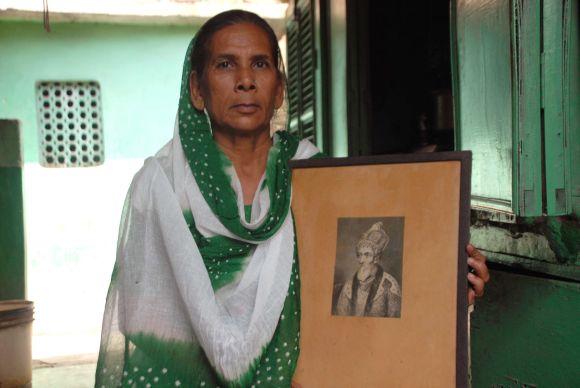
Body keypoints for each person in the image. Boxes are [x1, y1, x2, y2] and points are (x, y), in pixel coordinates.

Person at [95, 10, 490, 388]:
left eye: (261, 64)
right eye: (226, 65)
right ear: (197, 89)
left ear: (280, 90)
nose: (245, 80)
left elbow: (358, 291)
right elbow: (143, 318)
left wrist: (447, 286)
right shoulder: (162, 185)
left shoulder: (318, 181)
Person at [335, 222, 401, 318]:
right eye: (360, 255)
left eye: (367, 255)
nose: (361, 260)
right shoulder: (349, 286)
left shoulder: (390, 286)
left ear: (376, 258)